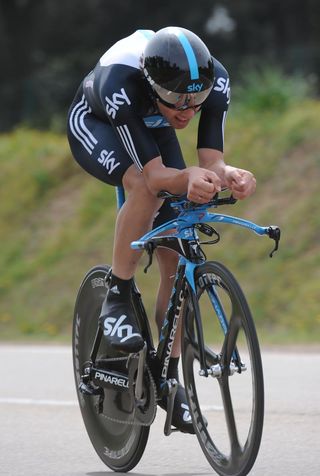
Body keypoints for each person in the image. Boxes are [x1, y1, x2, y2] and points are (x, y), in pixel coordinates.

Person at [67, 26, 256, 433]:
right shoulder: (122, 80)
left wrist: (230, 174)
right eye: (176, 100)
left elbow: (211, 160)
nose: (187, 111)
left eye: (196, 101)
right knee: (144, 187)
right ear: (154, 85)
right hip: (99, 120)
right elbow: (154, 177)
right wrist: (183, 176)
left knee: (178, 242)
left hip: (151, 120)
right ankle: (116, 294)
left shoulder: (212, 79)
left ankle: (168, 378)